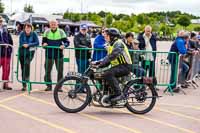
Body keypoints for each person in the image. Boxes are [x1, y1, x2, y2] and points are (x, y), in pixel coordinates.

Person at [93, 28, 132, 102]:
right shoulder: (111, 44)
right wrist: (97, 62)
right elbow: (108, 57)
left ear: (112, 36)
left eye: (107, 35)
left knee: (108, 74)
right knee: (103, 74)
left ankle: (118, 94)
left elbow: (113, 55)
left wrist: (101, 64)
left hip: (125, 66)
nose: (105, 37)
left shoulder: (118, 43)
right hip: (119, 66)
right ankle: (109, 93)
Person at [42, 20, 69, 91]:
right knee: (47, 71)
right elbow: (43, 42)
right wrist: (44, 44)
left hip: (59, 55)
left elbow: (67, 42)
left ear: (57, 24)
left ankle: (59, 87)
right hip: (49, 55)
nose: (53, 25)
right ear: (49, 25)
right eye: (52, 24)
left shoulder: (61, 32)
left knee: (60, 71)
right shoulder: (46, 32)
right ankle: (48, 85)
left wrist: (64, 45)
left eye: (54, 24)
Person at [19, 23, 39, 91]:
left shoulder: (34, 34)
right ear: (24, 28)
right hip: (22, 53)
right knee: (23, 68)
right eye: (26, 28)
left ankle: (27, 78)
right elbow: (21, 42)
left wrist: (29, 44)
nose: (27, 29)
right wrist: (23, 44)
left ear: (31, 28)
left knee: (27, 63)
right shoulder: (22, 33)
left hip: (30, 53)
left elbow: (37, 42)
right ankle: (24, 85)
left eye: (29, 28)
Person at [0, 16, 13, 90]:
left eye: (0, 21)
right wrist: (3, 44)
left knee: (6, 70)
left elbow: (10, 41)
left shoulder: (6, 30)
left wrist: (10, 50)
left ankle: (5, 84)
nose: (0, 23)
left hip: (6, 54)